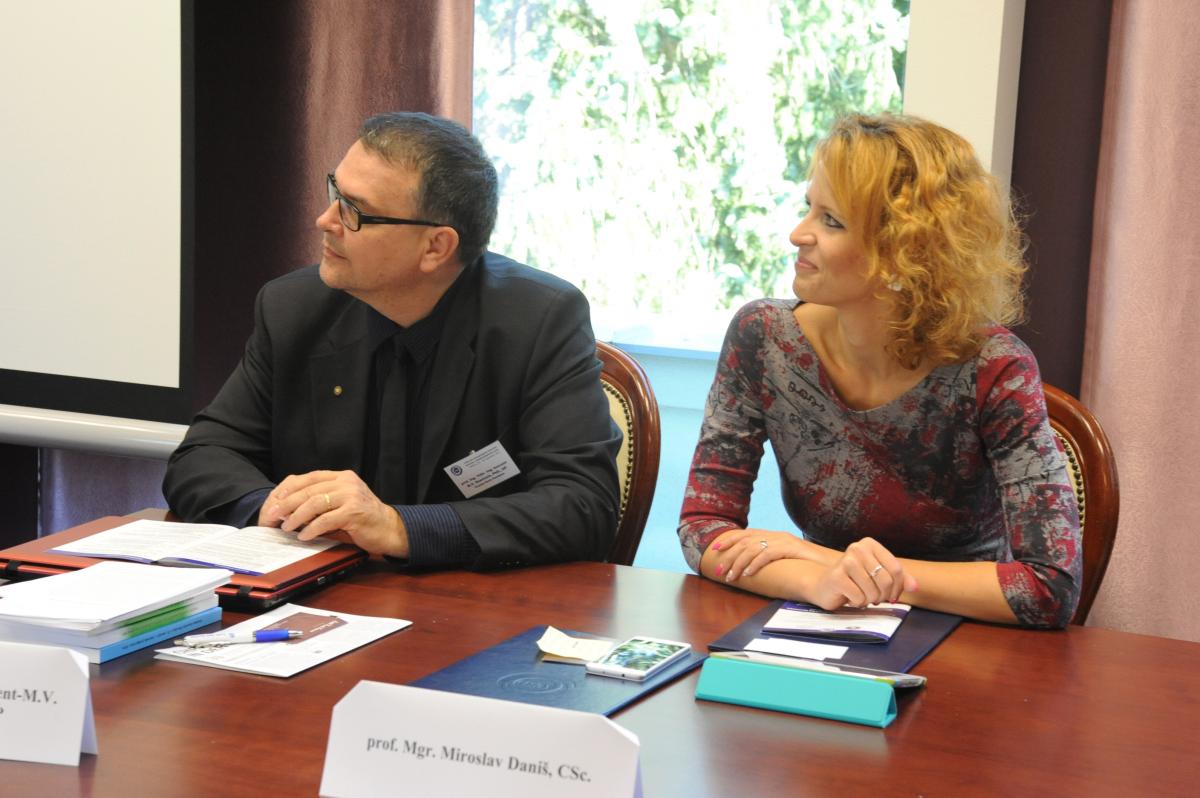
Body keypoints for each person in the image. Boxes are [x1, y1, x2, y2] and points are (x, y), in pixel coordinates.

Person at [164, 112, 621, 570]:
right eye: (334, 193)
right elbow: (203, 455)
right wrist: (276, 508)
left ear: (436, 247)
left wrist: (399, 528)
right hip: (319, 593)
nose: (325, 220)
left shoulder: (539, 320)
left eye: (354, 211)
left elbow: (582, 505)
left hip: (472, 601)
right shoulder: (293, 308)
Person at [678, 113, 1081, 628]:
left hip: (970, 637)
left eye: (831, 221)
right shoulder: (762, 336)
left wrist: (829, 561)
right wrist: (815, 582)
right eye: (809, 208)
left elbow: (1049, 586)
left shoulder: (996, 367)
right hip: (824, 620)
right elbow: (703, 528)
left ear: (904, 252)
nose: (797, 234)